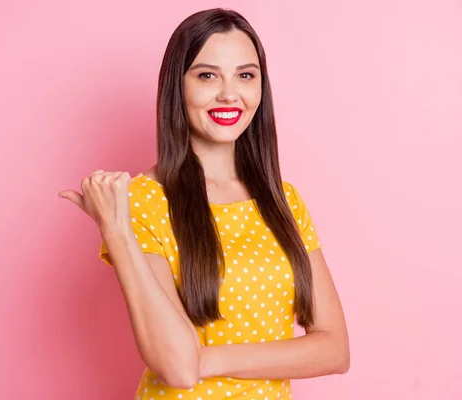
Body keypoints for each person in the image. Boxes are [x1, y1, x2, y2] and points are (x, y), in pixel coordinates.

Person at [59, 8, 349, 399]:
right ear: (177, 87)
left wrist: (208, 359)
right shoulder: (144, 200)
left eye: (245, 75)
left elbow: (334, 349)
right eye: (207, 75)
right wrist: (116, 229)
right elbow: (177, 367)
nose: (229, 93)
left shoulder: (283, 199)